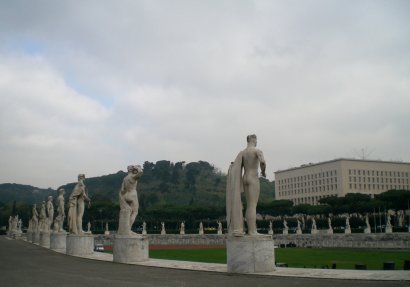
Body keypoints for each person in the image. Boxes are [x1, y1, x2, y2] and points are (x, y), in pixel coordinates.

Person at [226, 134, 266, 236]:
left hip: (245, 177)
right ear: (253, 139)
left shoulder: (243, 153)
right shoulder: (257, 151)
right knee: (253, 205)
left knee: (249, 205)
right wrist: (263, 171)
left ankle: (251, 230)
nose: (256, 141)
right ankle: (252, 231)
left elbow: (236, 166)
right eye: (256, 139)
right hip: (253, 177)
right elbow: (262, 162)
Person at [118, 165, 143, 235]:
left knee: (129, 212)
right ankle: (128, 229)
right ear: (132, 169)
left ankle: (126, 229)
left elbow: (122, 190)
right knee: (135, 212)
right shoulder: (133, 177)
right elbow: (140, 172)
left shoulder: (125, 178)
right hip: (133, 195)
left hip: (126, 195)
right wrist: (137, 167)